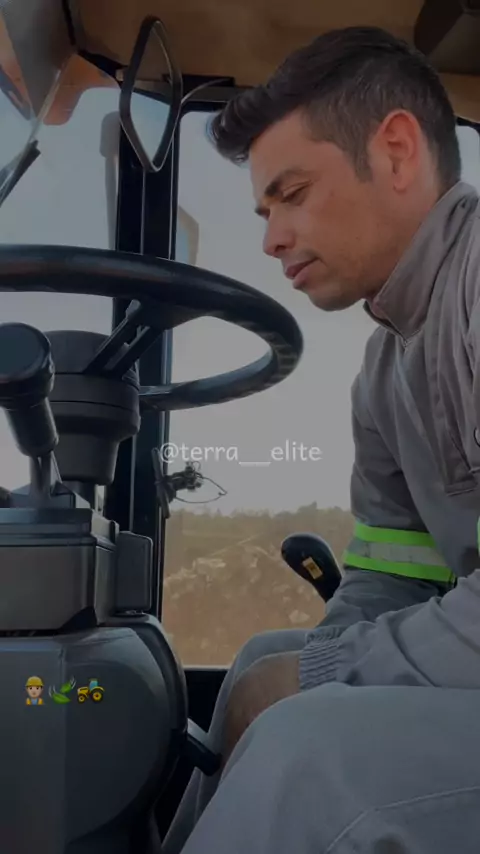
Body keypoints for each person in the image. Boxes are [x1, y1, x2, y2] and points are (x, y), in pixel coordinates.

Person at [163, 26, 480, 853]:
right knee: (263, 659)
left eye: (293, 194)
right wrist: (315, 662)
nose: (270, 239)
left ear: (397, 151)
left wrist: (319, 678)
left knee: (304, 759)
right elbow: (392, 572)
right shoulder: (384, 370)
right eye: (265, 210)